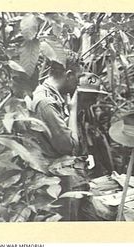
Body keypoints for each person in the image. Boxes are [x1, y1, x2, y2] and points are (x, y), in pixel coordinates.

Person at [29, 59, 82, 221]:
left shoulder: (50, 95)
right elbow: (70, 146)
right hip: (52, 181)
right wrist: (73, 111)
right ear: (69, 75)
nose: (77, 86)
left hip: (55, 176)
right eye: (77, 80)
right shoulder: (46, 102)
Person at [76, 72, 113, 177]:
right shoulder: (67, 112)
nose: (92, 101)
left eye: (94, 97)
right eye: (87, 97)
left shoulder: (86, 112)